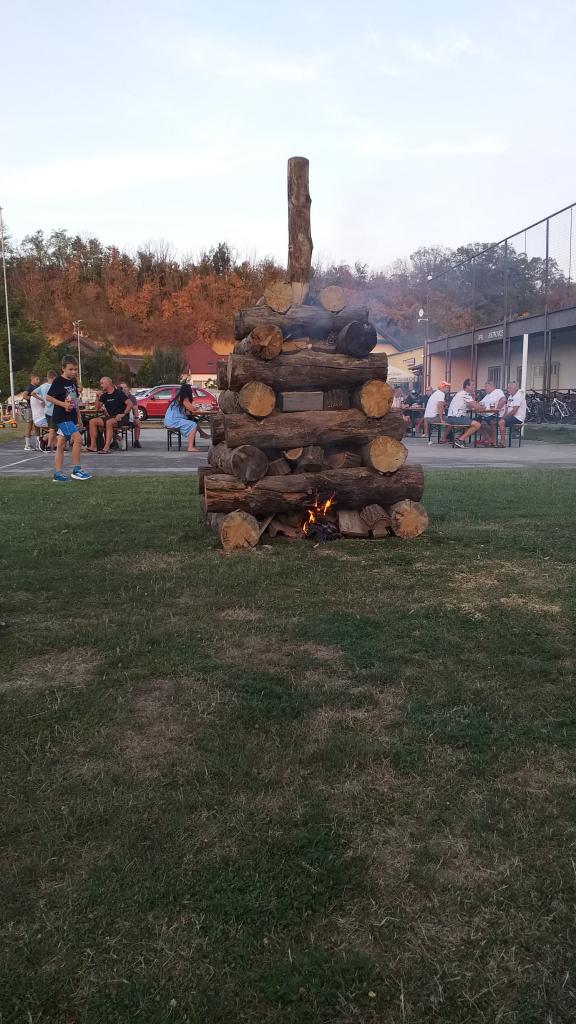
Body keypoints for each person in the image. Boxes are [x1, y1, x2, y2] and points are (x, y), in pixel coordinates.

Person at [46, 356, 92, 482]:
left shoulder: (72, 383)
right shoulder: (58, 381)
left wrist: (79, 418)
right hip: (62, 417)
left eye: (75, 369)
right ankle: (77, 470)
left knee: (61, 444)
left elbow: (74, 401)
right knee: (78, 439)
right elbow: (49, 397)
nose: (73, 372)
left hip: (71, 417)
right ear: (63, 368)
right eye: (71, 369)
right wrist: (63, 404)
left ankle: (58, 474)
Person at [87, 377, 132, 454]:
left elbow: (130, 404)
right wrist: (97, 397)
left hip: (122, 417)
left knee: (109, 422)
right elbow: (97, 408)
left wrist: (123, 414)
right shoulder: (104, 395)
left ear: (108, 383)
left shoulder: (119, 393)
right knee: (92, 421)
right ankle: (93, 446)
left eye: (102, 383)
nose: (101, 385)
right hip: (111, 417)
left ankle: (106, 447)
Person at [164, 383, 202, 452]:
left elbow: (187, 411)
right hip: (173, 421)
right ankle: (190, 447)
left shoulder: (180, 397)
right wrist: (197, 407)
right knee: (193, 424)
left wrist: (192, 407)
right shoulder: (183, 398)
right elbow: (192, 409)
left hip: (172, 420)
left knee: (194, 421)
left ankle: (202, 434)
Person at [444, 379, 480, 448]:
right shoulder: (465, 394)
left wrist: (473, 398)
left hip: (452, 417)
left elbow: (470, 406)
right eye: (472, 385)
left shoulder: (461, 393)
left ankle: (459, 439)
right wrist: (482, 407)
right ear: (467, 386)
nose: (474, 387)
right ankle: (460, 440)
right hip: (455, 418)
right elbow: (476, 407)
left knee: (472, 422)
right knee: (477, 424)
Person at [31, 371, 57, 451]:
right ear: (54, 378)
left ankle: (53, 444)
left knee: (53, 428)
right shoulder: (54, 387)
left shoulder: (42, 386)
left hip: (46, 411)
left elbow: (32, 393)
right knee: (54, 428)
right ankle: (48, 444)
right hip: (53, 410)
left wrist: (42, 399)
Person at [476, 380, 506, 446]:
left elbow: (503, 400)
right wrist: (476, 406)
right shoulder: (487, 395)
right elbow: (480, 403)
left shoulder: (498, 391)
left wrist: (496, 410)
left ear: (491, 386)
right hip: (487, 414)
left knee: (489, 422)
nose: (485, 389)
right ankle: (489, 439)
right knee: (476, 422)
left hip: (496, 415)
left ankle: (493, 440)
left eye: (486, 387)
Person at [498, 381, 527, 447]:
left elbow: (514, 411)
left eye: (511, 388)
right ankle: (492, 441)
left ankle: (502, 443)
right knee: (493, 421)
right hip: (511, 417)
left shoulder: (518, 396)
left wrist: (504, 418)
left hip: (518, 418)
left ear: (516, 388)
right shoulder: (510, 396)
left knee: (501, 422)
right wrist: (503, 416)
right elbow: (507, 409)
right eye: (508, 388)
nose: (509, 389)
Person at [119, 381, 142, 448]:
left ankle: (136, 441)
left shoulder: (131, 397)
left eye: (125, 387)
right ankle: (116, 440)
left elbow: (135, 408)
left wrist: (136, 418)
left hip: (129, 417)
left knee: (137, 423)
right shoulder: (117, 396)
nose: (124, 389)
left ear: (128, 388)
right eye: (122, 388)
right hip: (119, 417)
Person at [22, 374, 41, 451]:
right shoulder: (29, 387)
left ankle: (38, 444)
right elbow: (24, 396)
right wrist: (33, 398)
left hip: (36, 409)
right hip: (30, 409)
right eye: (37, 379)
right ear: (32, 379)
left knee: (37, 425)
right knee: (29, 426)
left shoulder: (37, 387)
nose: (38, 381)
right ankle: (27, 445)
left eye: (39, 379)